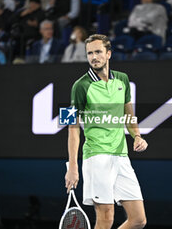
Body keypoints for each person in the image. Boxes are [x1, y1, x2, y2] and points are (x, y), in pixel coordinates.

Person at [65, 34, 148, 229]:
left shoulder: (123, 80)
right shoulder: (79, 86)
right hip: (96, 157)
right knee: (106, 218)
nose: (94, 57)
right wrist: (73, 167)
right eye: (90, 53)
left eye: (98, 52)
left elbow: (129, 115)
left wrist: (137, 135)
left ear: (108, 54)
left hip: (121, 156)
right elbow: (72, 128)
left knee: (138, 220)